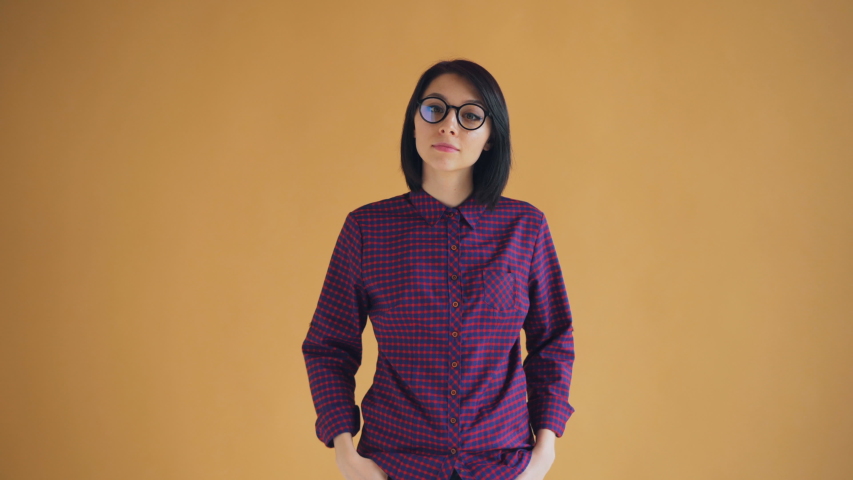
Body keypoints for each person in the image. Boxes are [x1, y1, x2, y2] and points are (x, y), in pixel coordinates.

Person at [302, 59, 575, 480]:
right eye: (435, 109)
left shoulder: (526, 228)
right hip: (394, 464)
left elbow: (553, 341)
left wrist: (543, 455)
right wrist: (346, 455)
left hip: (501, 464)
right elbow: (328, 345)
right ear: (414, 123)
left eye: (470, 116)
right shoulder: (368, 229)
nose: (449, 126)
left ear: (490, 137)